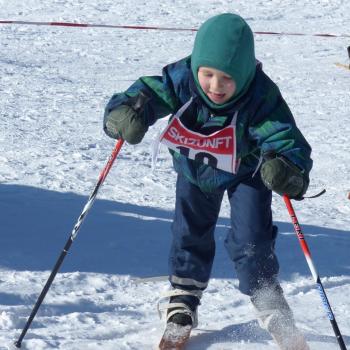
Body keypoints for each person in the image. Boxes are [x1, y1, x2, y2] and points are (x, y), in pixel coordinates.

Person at [103, 13, 312, 350]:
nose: (216, 86)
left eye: (227, 78)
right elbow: (146, 94)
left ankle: (266, 295)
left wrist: (288, 168)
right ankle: (183, 296)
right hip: (195, 169)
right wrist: (127, 112)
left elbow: (285, 137)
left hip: (248, 173)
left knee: (252, 237)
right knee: (189, 231)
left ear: (244, 74)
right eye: (209, 74)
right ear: (197, 65)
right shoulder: (182, 79)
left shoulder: (260, 96)